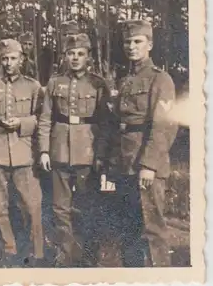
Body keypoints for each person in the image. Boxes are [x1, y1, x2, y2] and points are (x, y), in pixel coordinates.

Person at [38, 33, 111, 267]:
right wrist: (44, 151)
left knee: (87, 206)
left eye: (80, 54)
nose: (75, 58)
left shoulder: (98, 84)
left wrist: (100, 154)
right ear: (65, 56)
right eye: (71, 53)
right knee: (60, 207)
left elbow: (105, 123)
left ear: (88, 56)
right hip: (59, 150)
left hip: (87, 151)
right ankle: (64, 253)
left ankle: (89, 254)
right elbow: (45, 119)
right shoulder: (54, 83)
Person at [109, 20, 178, 267]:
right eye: (127, 41)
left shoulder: (161, 79)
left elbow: (164, 126)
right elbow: (119, 125)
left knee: (152, 228)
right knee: (128, 228)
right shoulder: (125, 80)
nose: (131, 46)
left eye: (137, 41)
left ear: (150, 44)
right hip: (125, 163)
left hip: (146, 164)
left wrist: (149, 164)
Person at [0, 38, 44, 267]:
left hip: (24, 152)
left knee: (32, 206)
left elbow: (42, 119)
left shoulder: (33, 87)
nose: (9, 62)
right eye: (5, 58)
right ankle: (9, 249)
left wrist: (22, 123)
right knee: (0, 207)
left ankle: (36, 253)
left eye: (13, 58)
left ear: (21, 59)